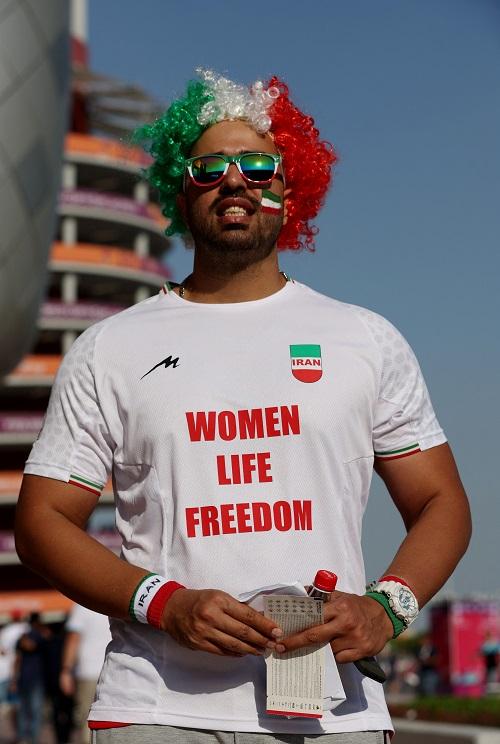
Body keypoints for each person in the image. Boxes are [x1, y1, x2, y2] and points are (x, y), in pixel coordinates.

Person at [15, 69, 471, 743]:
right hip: (158, 709)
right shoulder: (110, 347)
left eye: (259, 166)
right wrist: (164, 604)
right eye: (209, 168)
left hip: (333, 713)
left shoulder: (364, 338)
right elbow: (41, 521)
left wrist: (387, 608)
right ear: (180, 190)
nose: (235, 181)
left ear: (291, 188)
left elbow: (441, 502)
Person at [59, 604, 112, 743]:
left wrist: (66, 670)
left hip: (88, 671)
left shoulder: (82, 606)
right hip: (113, 670)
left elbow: (73, 639)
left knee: (87, 719)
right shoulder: (112, 602)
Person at [11, 612, 50, 744]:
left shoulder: (35, 636)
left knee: (30, 710)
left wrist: (14, 679)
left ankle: (30, 739)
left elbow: (24, 652)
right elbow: (19, 657)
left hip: (32, 679)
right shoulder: (37, 635)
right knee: (29, 710)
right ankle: (27, 738)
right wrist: (14, 679)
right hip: (29, 679)